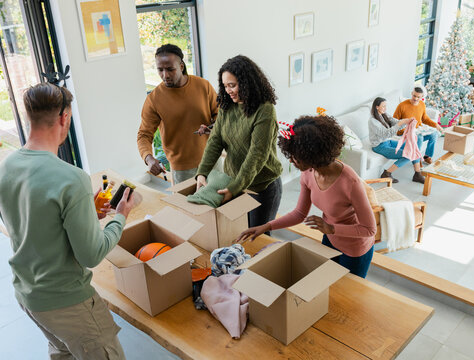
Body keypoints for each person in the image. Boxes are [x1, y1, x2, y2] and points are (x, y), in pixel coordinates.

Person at [0, 83, 136, 359]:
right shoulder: (71, 178)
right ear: (65, 118)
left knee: (63, 352)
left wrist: (86, 213)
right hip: (67, 304)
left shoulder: (6, 166)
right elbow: (91, 254)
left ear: (29, 117)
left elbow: (29, 223)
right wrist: (119, 216)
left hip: (28, 295)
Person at [237, 115, 377, 278]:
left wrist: (331, 228)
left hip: (355, 249)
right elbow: (299, 214)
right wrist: (266, 226)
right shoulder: (309, 174)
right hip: (330, 239)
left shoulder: (350, 183)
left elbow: (369, 229)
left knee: (346, 294)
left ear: (312, 155)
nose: (291, 160)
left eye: (295, 156)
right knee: (328, 284)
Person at [196, 55, 283, 228]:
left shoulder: (264, 109)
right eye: (225, 86)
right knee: (238, 231)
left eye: (232, 85)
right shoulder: (227, 106)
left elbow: (257, 154)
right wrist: (202, 172)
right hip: (235, 182)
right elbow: (215, 141)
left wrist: (234, 187)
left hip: (262, 186)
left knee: (258, 237)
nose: (228, 91)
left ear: (247, 83)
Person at [137, 44, 218, 184]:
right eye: (160, 70)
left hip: (212, 160)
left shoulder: (203, 86)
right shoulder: (154, 99)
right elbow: (144, 135)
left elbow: (220, 116)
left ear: (181, 66)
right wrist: (149, 158)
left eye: (170, 69)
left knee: (221, 203)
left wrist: (212, 127)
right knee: (187, 206)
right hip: (182, 170)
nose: (165, 75)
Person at [369, 97, 425, 184]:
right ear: (377, 107)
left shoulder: (385, 115)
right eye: (383, 106)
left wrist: (406, 121)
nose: (385, 108)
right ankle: (386, 173)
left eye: (385, 106)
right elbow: (386, 134)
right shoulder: (373, 121)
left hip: (388, 142)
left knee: (413, 147)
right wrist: (400, 123)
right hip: (379, 146)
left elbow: (397, 123)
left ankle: (417, 174)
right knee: (408, 155)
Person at [393, 86, 443, 165]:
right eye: (414, 96)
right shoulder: (402, 106)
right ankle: (417, 159)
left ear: (422, 97)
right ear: (411, 93)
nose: (416, 98)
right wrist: (403, 131)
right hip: (405, 131)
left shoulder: (422, 104)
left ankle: (427, 156)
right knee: (419, 137)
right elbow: (394, 122)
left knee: (434, 134)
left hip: (417, 130)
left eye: (418, 97)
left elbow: (425, 119)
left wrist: (435, 125)